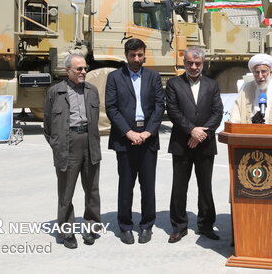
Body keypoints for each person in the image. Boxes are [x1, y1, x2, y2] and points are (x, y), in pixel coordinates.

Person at [106, 38, 164, 245]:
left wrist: (148, 132)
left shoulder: (153, 77)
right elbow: (111, 108)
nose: (137, 59)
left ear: (144, 54)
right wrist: (128, 132)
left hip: (148, 139)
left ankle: (147, 225)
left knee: (148, 186)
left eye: (140, 55)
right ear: (126, 55)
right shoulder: (114, 77)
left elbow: (159, 107)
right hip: (125, 139)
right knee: (126, 185)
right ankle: (125, 226)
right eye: (132, 55)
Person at [43, 53, 102, 249]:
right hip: (67, 144)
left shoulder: (92, 91)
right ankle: (66, 231)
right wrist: (57, 144)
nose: (84, 72)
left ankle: (92, 227)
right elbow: (48, 126)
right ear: (68, 70)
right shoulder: (55, 92)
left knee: (92, 189)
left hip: (90, 141)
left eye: (85, 68)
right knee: (66, 191)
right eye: (79, 69)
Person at [166, 47, 224, 243]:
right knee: (179, 187)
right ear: (184, 63)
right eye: (190, 63)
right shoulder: (174, 84)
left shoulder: (212, 84)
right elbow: (173, 111)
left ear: (203, 64)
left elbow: (218, 112)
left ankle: (206, 225)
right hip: (182, 144)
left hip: (205, 144)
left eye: (197, 63)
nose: (193, 66)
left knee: (205, 187)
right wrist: (191, 130)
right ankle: (179, 226)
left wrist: (201, 133)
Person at [229, 53, 272, 214]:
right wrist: (234, 125)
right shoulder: (247, 89)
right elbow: (236, 114)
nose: (260, 76)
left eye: (264, 72)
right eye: (256, 72)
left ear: (270, 72)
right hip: (249, 148)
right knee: (249, 186)